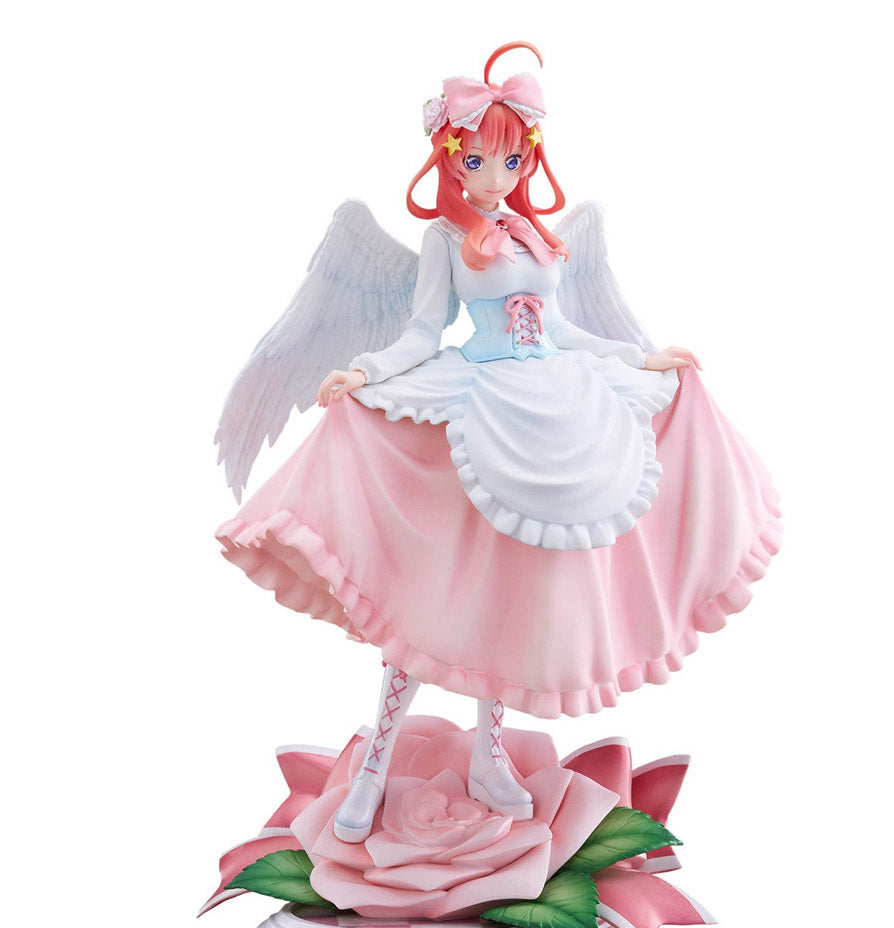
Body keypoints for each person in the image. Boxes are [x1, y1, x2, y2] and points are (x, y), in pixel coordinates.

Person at [215, 42, 781, 843]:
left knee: (513, 596)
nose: (495, 176)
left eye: (511, 161)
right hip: (482, 404)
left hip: (555, 404)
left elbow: (563, 329)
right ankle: (375, 765)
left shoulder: (533, 236)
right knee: (433, 592)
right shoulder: (446, 240)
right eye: (477, 159)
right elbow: (423, 331)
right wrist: (367, 370)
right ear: (450, 159)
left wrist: (638, 358)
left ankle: (489, 755)